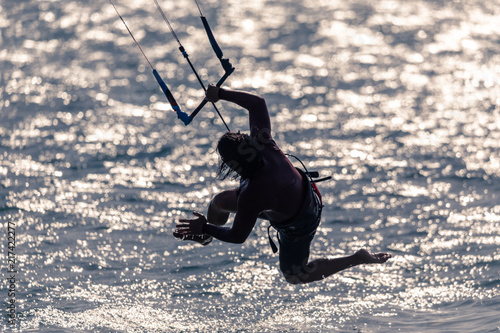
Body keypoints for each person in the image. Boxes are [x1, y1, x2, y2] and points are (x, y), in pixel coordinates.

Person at [174, 85, 391, 284]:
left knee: (295, 275)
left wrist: (204, 226)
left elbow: (237, 237)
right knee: (219, 202)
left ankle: (357, 258)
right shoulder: (263, 142)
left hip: (301, 221)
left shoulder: (252, 195)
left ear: (230, 166)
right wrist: (220, 93)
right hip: (294, 195)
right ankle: (205, 236)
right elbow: (257, 103)